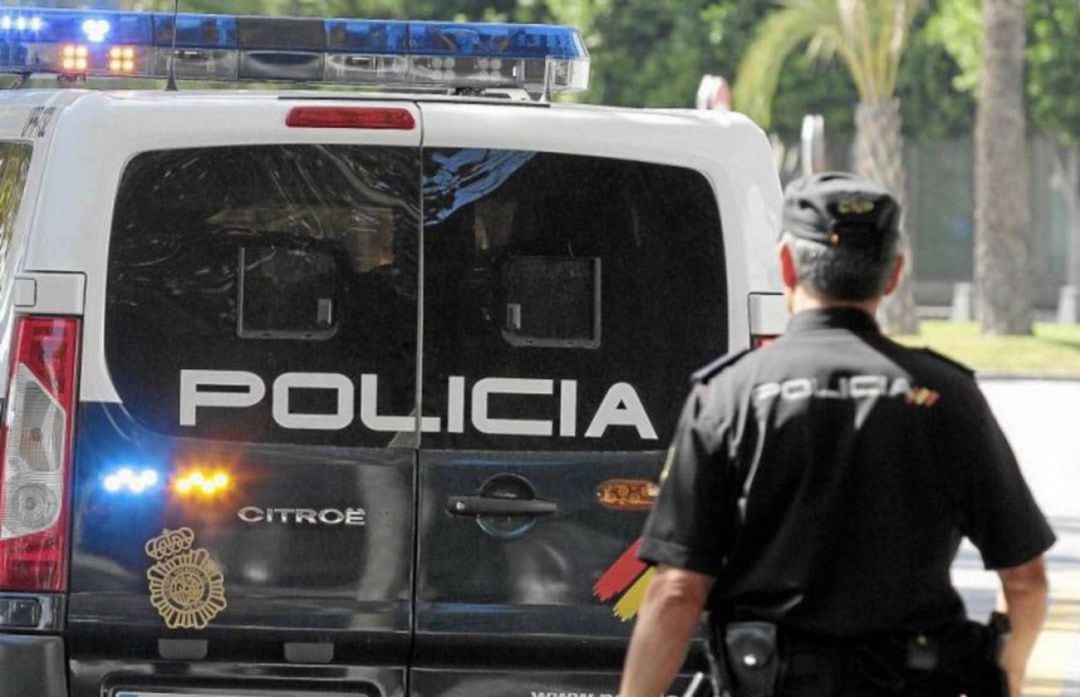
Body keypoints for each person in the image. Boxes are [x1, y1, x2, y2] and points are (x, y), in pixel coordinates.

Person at [618, 172, 1054, 697]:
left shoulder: (729, 396)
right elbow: (1026, 581)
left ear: (785, 264)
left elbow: (677, 591)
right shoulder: (948, 397)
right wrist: (1008, 676)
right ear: (894, 274)